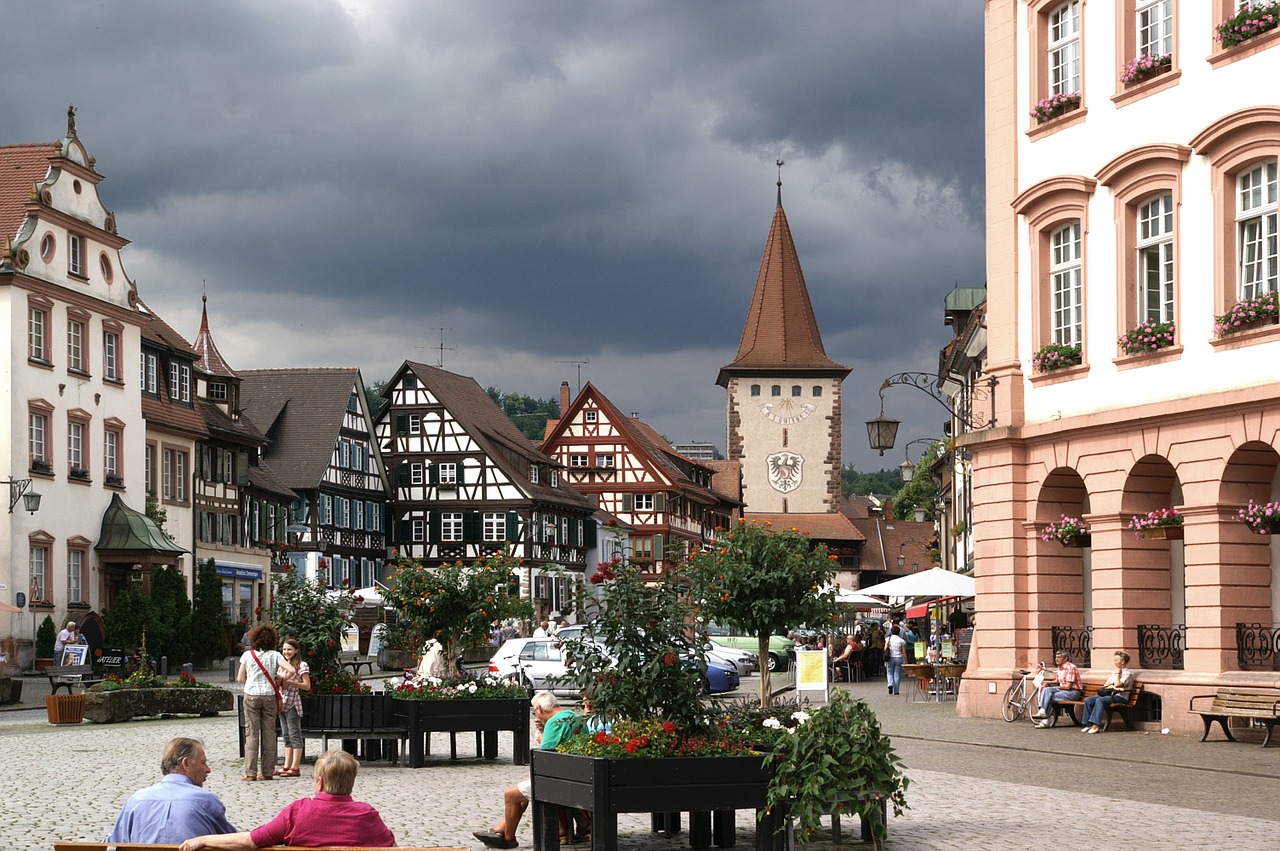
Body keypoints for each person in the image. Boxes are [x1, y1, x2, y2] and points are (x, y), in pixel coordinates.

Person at [179, 748, 394, 849]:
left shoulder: (298, 812)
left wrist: (203, 839)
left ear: (319, 782)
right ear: (351, 782)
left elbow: (250, 841)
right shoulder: (366, 815)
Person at [473, 690, 581, 849]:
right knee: (521, 791)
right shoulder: (574, 716)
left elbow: (544, 758)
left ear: (539, 709)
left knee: (511, 795)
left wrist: (541, 735)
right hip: (576, 777)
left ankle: (508, 839)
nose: (536, 716)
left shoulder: (553, 722)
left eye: (535, 712)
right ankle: (498, 830)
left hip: (559, 781)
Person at [106, 737, 237, 843]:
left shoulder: (136, 800)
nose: (208, 769)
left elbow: (114, 842)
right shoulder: (205, 801)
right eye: (203, 763)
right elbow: (231, 840)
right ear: (186, 764)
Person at [239, 622, 284, 780]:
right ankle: (268, 772)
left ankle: (250, 773)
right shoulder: (276, 655)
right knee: (269, 734)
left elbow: (240, 678)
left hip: (251, 695)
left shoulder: (247, 655)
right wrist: (281, 678)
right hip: (269, 696)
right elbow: (291, 670)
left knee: (252, 734)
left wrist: (251, 682)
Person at [276, 637, 311, 777]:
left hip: (293, 703)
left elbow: (307, 686)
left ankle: (295, 767)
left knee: (295, 734)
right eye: (284, 649)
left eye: (289, 649)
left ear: (296, 650)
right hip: (281, 703)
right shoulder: (282, 665)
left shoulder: (302, 665)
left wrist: (290, 681)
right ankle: (287, 765)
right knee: (286, 735)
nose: (286, 652)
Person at [1081, 651, 1136, 734]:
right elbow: (1106, 685)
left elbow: (1118, 684)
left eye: (1116, 660)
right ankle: (1088, 724)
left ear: (1123, 662)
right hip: (1110, 694)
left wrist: (1118, 674)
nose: (1114, 662)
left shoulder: (1127, 674)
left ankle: (1096, 726)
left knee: (1100, 700)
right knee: (1089, 700)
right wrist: (1113, 686)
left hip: (1120, 697)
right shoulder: (1113, 673)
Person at [1033, 650, 1083, 727]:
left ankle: (1045, 720)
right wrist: (1047, 682)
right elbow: (1058, 680)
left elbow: (1068, 686)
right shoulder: (1060, 667)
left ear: (1065, 659)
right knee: (1047, 690)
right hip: (1062, 691)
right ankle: (1042, 711)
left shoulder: (1071, 667)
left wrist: (1055, 687)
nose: (1056, 659)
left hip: (1072, 693)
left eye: (1059, 657)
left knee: (1049, 697)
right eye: (1056, 657)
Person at [884, 625, 907, 695]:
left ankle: (890, 684)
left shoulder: (888, 639)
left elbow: (885, 649)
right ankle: (896, 690)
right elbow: (904, 651)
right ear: (899, 632)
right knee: (897, 674)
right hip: (899, 658)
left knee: (889, 672)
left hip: (890, 657)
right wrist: (906, 660)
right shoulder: (901, 641)